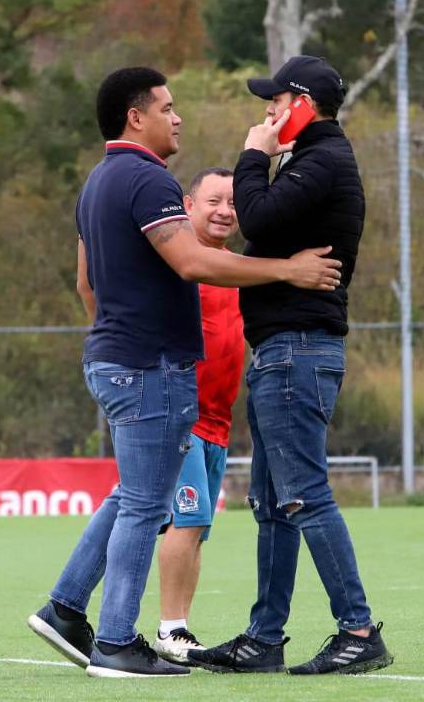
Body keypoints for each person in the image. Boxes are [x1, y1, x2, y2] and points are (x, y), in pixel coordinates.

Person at [26, 66, 342, 679]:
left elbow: (85, 282)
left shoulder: (96, 182)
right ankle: (117, 641)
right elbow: (194, 261)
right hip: (150, 366)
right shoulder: (146, 179)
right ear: (134, 117)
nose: (179, 118)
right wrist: (288, 270)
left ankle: (66, 609)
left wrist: (113, 334)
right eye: (167, 107)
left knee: (131, 495)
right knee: (147, 506)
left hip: (116, 358)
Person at [188, 56, 393, 675]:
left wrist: (255, 154)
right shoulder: (313, 160)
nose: (267, 113)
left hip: (297, 351)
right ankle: (265, 638)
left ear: (303, 104)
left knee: (303, 496)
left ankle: (358, 631)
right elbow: (271, 226)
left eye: (275, 101)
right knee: (273, 503)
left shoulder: (323, 159)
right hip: (285, 351)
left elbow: (258, 217)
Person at [152, 167, 244, 665]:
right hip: (181, 417)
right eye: (214, 200)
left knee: (198, 528)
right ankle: (169, 627)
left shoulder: (236, 268)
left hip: (219, 422)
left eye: (231, 202)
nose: (224, 210)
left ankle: (179, 631)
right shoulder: (180, 264)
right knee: (185, 522)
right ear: (189, 204)